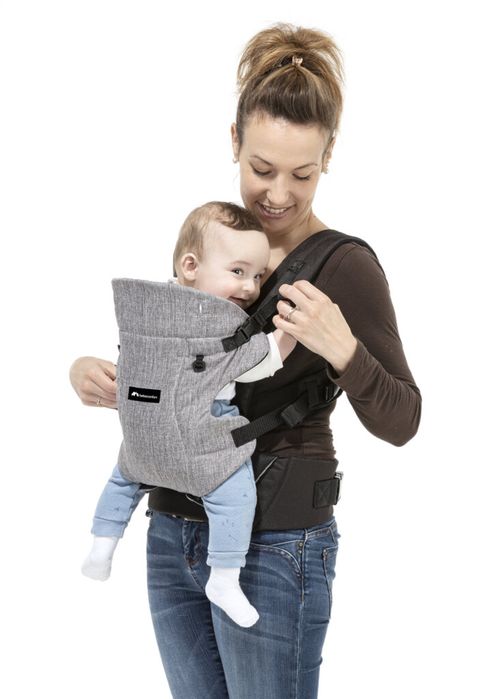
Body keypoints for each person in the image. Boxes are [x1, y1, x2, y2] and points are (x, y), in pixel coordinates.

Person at [69, 22, 422, 699]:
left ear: (328, 157)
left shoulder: (345, 266)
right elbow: (175, 368)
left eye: (302, 174)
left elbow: (403, 420)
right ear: (233, 141)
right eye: (261, 169)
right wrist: (89, 369)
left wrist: (343, 349)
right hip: (171, 529)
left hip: (275, 544)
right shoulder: (215, 240)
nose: (279, 194)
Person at [81, 201, 297, 629]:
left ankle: (101, 546)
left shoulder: (147, 316)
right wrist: (290, 328)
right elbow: (266, 359)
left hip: (144, 443)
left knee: (122, 479)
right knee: (237, 495)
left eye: (258, 276)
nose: (250, 287)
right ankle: (225, 577)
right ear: (191, 265)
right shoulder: (221, 333)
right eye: (238, 271)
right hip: (201, 446)